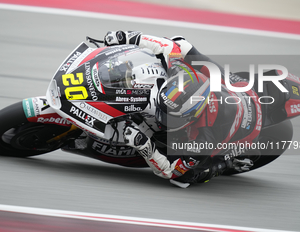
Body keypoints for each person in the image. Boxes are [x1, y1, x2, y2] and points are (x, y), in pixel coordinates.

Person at [104, 31, 262, 188]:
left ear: (193, 116)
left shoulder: (205, 139)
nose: (161, 118)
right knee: (180, 43)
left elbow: (170, 171)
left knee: (184, 178)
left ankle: (225, 163)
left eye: (170, 117)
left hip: (248, 130)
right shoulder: (181, 73)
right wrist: (125, 37)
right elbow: (169, 46)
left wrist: (144, 146)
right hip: (241, 89)